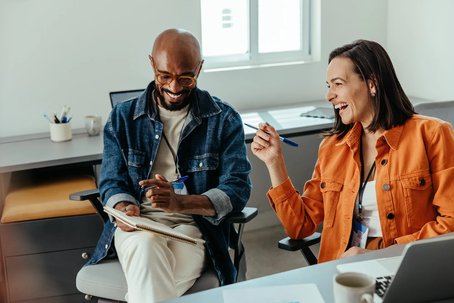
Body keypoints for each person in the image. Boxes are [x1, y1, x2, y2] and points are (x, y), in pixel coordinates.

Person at [251, 39, 454, 263]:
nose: (329, 96)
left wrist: (382, 254)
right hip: (342, 266)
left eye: (338, 84)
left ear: (372, 83)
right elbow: (299, 226)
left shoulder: (433, 134)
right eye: (328, 86)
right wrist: (274, 163)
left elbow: (451, 222)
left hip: (407, 264)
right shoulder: (332, 148)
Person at [88, 28, 251, 302]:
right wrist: (122, 207)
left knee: (149, 281)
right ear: (152, 64)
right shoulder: (123, 118)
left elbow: (237, 189)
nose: (174, 88)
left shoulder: (224, 119)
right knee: (147, 245)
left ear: (199, 69)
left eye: (186, 78)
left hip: (194, 230)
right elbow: (111, 181)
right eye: (165, 76)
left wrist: (181, 203)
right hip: (139, 227)